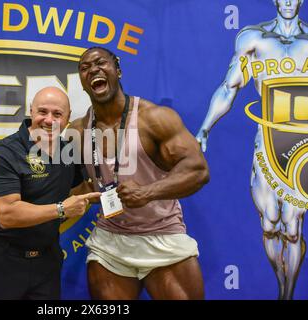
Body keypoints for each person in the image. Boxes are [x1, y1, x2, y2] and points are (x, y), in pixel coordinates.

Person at [67, 47, 210, 300]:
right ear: (82, 82)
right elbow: (67, 182)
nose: (93, 70)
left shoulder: (154, 118)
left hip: (162, 235)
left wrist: (148, 192)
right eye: (85, 68)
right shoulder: (77, 130)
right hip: (109, 243)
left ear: (118, 70)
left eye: (100, 63)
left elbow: (198, 170)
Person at [196, 0, 308, 300]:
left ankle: (287, 292)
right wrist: (205, 128)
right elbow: (228, 87)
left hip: (303, 142)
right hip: (266, 140)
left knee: (293, 226)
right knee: (270, 223)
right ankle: (279, 274)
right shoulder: (252, 38)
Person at [0, 87, 101, 300]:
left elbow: (83, 186)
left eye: (57, 114)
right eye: (42, 111)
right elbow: (7, 215)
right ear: (31, 111)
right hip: (3, 261)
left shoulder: (68, 152)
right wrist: (61, 209)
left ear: (68, 118)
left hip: (47, 261)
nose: (49, 120)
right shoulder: (7, 151)